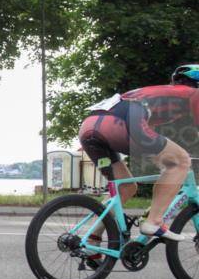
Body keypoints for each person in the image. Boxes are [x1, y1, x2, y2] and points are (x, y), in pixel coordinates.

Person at [78, 64, 199, 243]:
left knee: (126, 187)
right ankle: (154, 221)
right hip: (121, 124)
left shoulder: (156, 93)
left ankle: (92, 238)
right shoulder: (193, 94)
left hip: (90, 127)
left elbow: (152, 138)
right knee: (181, 161)